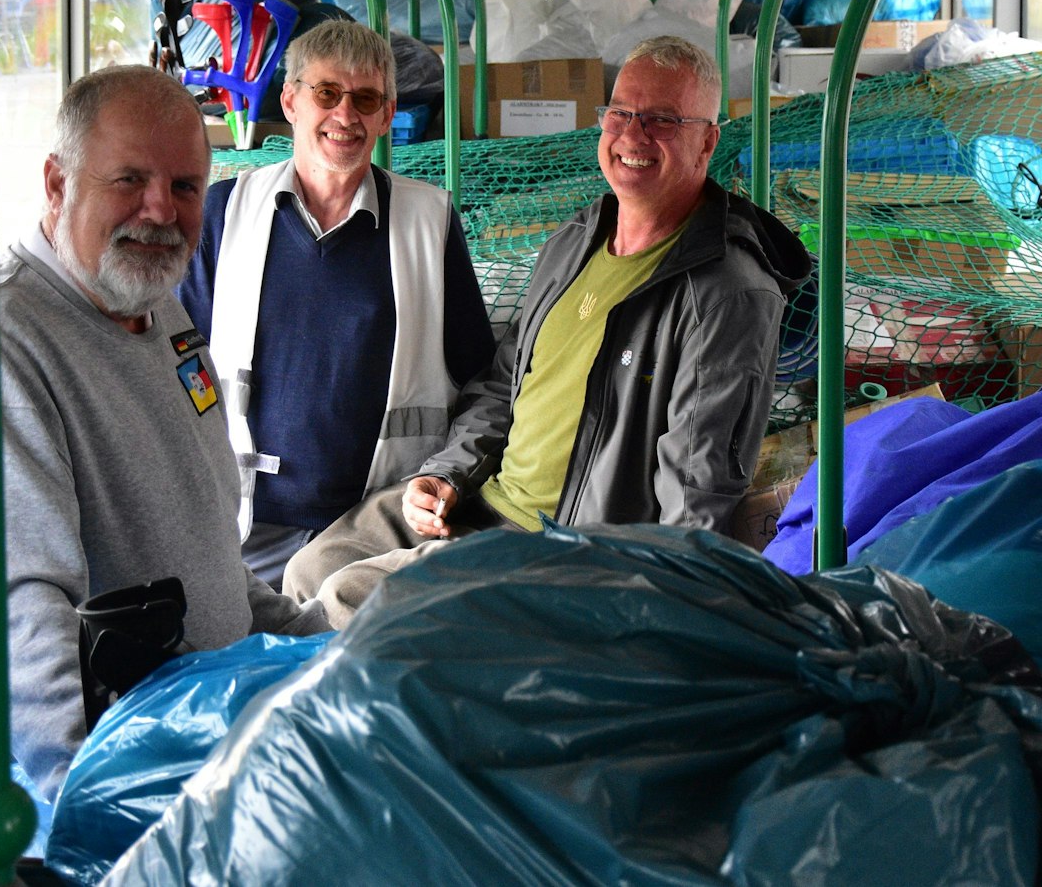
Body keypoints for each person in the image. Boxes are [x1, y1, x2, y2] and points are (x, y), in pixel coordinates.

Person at [0, 66, 327, 807]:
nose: (160, 211)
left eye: (184, 186)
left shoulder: (155, 306)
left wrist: (313, 644)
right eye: (129, 179)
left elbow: (205, 549)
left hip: (177, 750)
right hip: (30, 801)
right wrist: (95, 808)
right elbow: (18, 617)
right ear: (57, 183)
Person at [284, 35, 811, 624]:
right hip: (482, 503)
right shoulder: (575, 241)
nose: (634, 135)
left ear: (708, 141)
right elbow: (502, 387)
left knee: (347, 601)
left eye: (663, 120)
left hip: (560, 548)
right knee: (310, 567)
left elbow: (696, 488)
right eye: (621, 113)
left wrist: (650, 620)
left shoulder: (725, 292)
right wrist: (447, 474)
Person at [179, 21, 495, 588]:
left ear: (385, 112)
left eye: (365, 99)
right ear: (291, 100)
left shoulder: (429, 222)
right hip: (246, 528)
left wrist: (447, 479)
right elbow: (175, 373)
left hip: (374, 533)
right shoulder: (225, 215)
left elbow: (483, 383)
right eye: (326, 93)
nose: (345, 116)